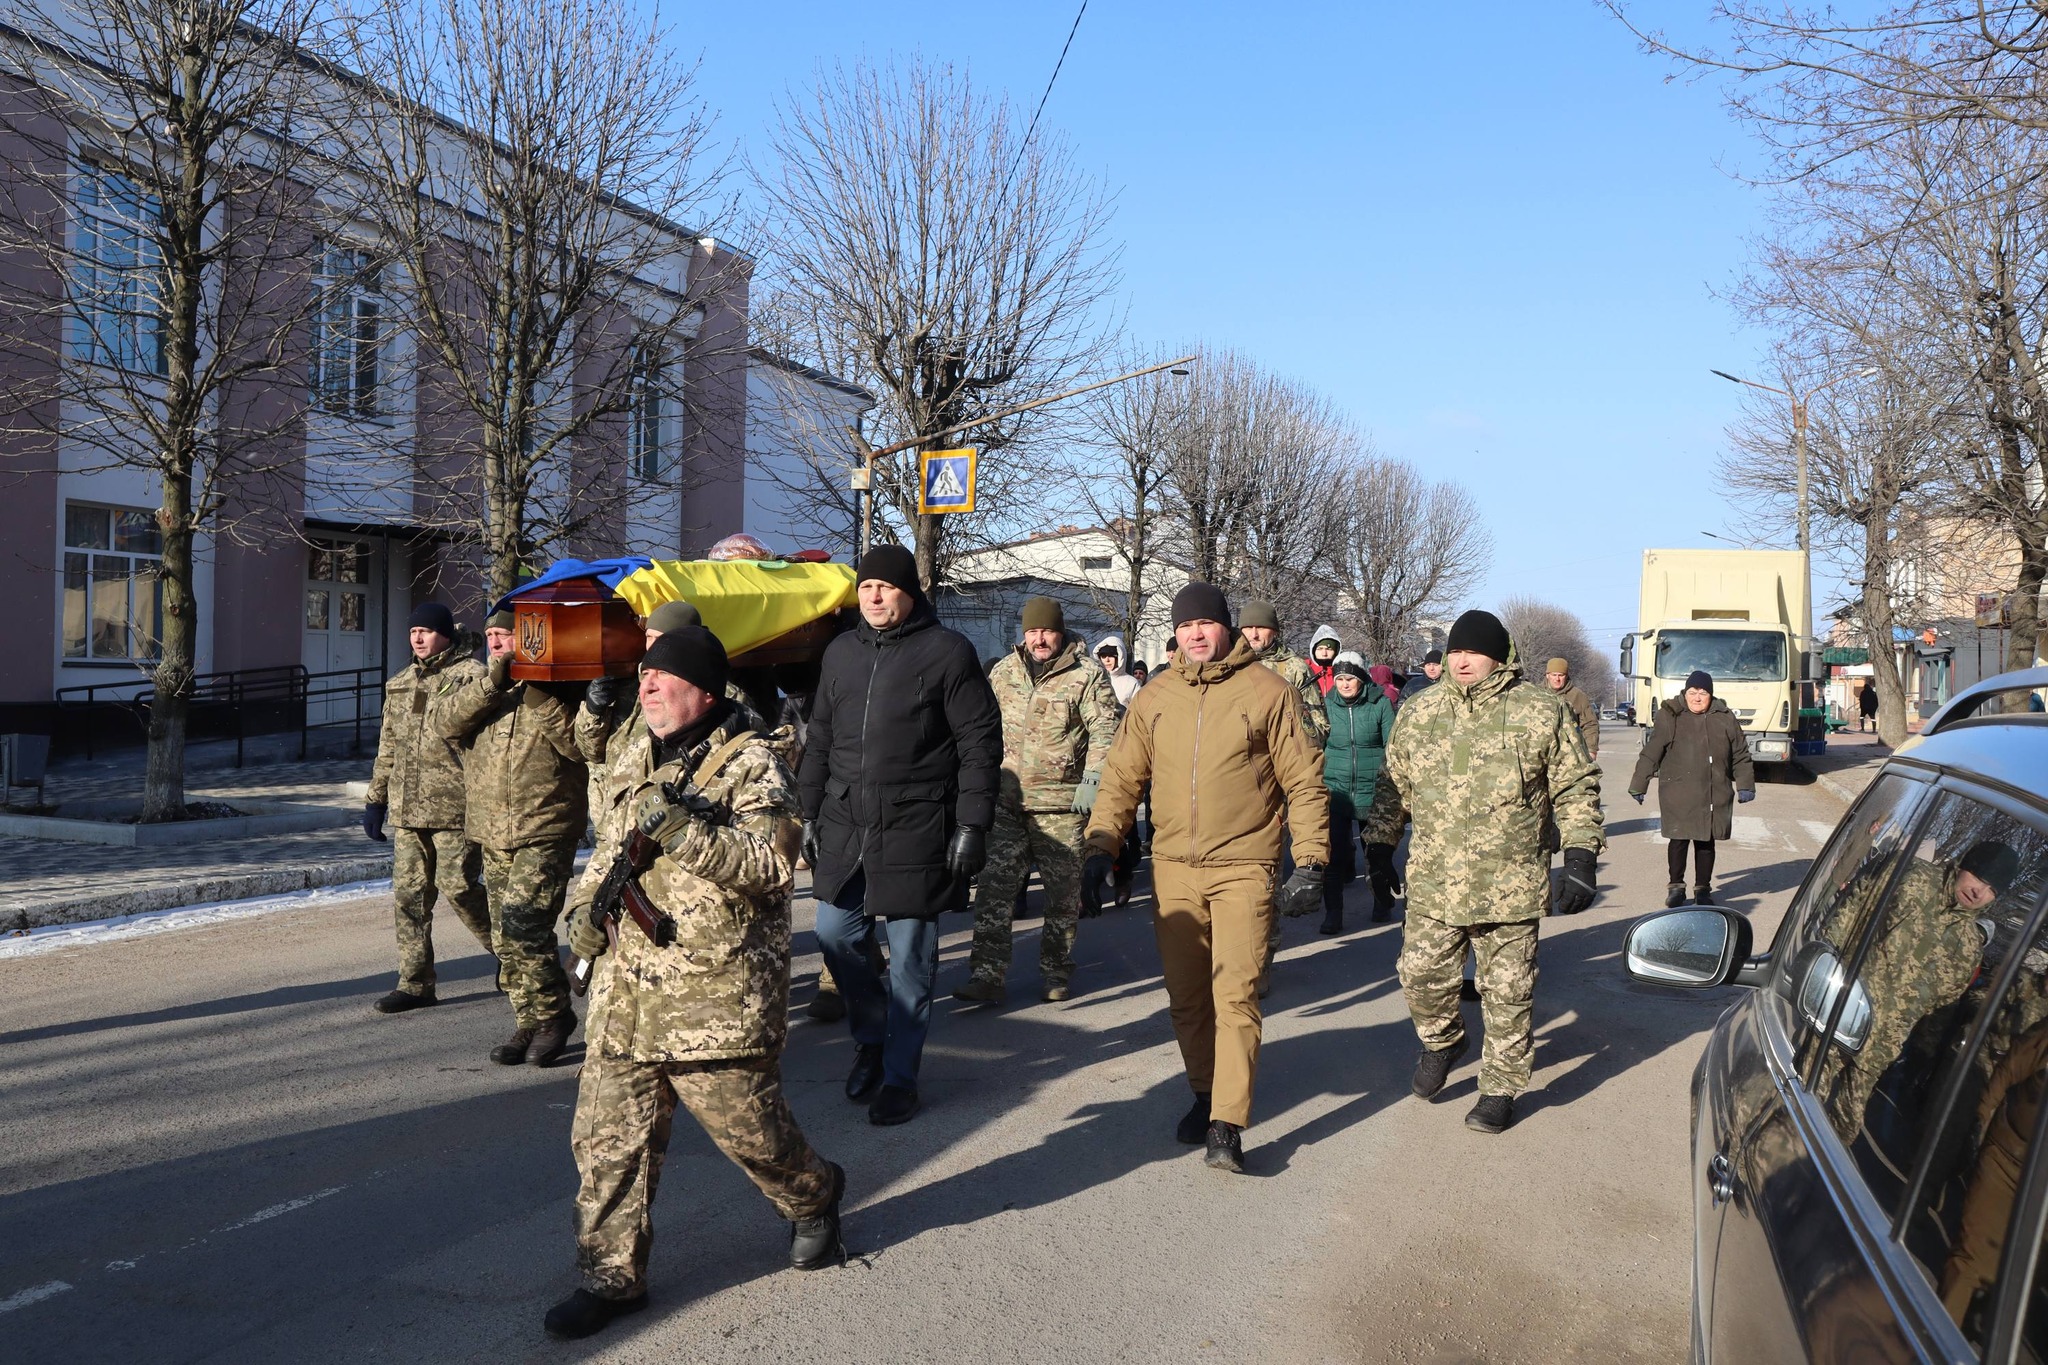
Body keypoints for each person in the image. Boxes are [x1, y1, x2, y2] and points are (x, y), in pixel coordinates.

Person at [546, 626, 844, 1340]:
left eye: (660, 677)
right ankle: (612, 1276)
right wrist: (581, 915)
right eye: (642, 676)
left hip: (711, 997)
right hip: (627, 996)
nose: (644, 687)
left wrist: (687, 834)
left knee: (753, 1135)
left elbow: (774, 866)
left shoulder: (753, 763)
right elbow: (607, 856)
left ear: (704, 690)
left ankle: (813, 1194)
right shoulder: (634, 755)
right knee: (606, 1141)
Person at [1080, 582, 1329, 1173]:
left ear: (1226, 628)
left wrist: (1313, 859)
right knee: (1187, 997)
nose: (1195, 633)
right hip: (1173, 869)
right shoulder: (1155, 697)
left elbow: (1303, 780)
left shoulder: (1268, 691)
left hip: (1245, 864)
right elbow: (1120, 778)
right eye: (1185, 625)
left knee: (1235, 994)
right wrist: (1099, 848)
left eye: (1206, 624)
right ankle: (1202, 1092)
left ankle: (1227, 1122)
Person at [1363, 609, 1603, 1135]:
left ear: (1499, 656)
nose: (1462, 660)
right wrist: (1379, 847)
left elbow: (1575, 786)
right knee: (1420, 977)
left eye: (1473, 651)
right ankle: (1444, 1042)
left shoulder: (1540, 712)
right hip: (1433, 880)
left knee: (1508, 991)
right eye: (1455, 651)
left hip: (1510, 884)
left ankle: (1499, 1086)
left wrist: (1581, 856)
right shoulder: (1420, 712)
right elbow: (1393, 787)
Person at [798, 544, 1002, 1126]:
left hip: (918, 823)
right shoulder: (839, 653)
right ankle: (871, 1035)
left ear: (910, 590)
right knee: (836, 935)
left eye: (886, 587)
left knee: (913, 957)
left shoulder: (947, 652)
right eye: (866, 588)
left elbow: (979, 744)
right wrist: (807, 812)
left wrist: (971, 824)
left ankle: (900, 1077)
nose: (876, 597)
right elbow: (820, 739)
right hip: (846, 822)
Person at [432, 611, 589, 1065]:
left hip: (545, 826)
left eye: (506, 636)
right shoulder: (478, 686)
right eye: (492, 638)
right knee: (503, 938)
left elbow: (581, 747)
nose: (498, 644)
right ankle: (529, 1020)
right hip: (491, 829)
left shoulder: (560, 685)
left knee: (524, 924)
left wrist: (541, 697)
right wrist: (493, 684)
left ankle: (555, 1014)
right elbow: (445, 724)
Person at [955, 598, 1121, 1004]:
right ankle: (987, 975)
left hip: (1062, 805)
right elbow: (983, 727)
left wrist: (1094, 777)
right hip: (1008, 801)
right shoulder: (1005, 672)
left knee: (1062, 897)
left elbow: (1105, 729)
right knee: (995, 891)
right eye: (1032, 631)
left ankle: (1056, 971)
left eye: (1046, 631)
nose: (1039, 638)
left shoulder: (1086, 674)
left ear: (1060, 632)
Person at [363, 603, 493, 1014]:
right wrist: (376, 799)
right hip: (407, 808)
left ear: (446, 635)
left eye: (427, 631)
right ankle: (415, 984)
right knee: (409, 897)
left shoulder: (472, 677)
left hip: (455, 808)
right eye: (413, 630)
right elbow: (389, 748)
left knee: (460, 888)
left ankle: (514, 959)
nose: (418, 638)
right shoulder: (400, 683)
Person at [1628, 669, 1755, 908]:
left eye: (1703, 692)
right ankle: (1676, 886)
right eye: (1692, 692)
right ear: (1685, 693)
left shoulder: (1725, 717)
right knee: (1678, 840)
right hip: (1678, 791)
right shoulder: (1671, 715)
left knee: (1706, 842)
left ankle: (1702, 888)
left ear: (1711, 694)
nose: (1697, 697)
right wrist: (1639, 783)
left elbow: (1740, 754)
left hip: (1713, 791)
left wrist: (1746, 784)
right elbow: (1653, 751)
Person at [1321, 651, 1396, 931]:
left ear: (1362, 679)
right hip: (1336, 792)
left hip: (1373, 790)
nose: (1344, 684)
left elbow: (1393, 746)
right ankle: (1333, 913)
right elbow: (1317, 745)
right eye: (1339, 678)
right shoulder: (1326, 705)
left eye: (1350, 678)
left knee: (1375, 853)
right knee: (1335, 855)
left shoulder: (1380, 705)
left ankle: (1381, 901)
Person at [1544, 657, 1600, 761]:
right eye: (1554, 675)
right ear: (1547, 675)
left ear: (1566, 676)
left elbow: (1590, 724)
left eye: (1561, 675)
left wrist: (1592, 749)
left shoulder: (1577, 696)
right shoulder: (1536, 694)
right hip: (1541, 751)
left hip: (1569, 752)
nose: (1557, 679)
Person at [1095, 634, 1142, 707]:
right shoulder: (1095, 680)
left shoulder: (1131, 683)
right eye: (1103, 656)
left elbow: (1139, 711)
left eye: (1111, 656)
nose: (1107, 660)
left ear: (1120, 657)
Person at [1307, 626, 1341, 696]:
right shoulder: (1304, 669)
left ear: (1336, 651)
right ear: (1313, 650)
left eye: (1329, 649)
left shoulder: (1342, 671)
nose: (1324, 653)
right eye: (1320, 649)